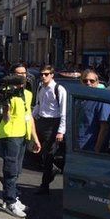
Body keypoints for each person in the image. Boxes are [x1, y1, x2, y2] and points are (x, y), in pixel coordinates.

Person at [0, 69, 41, 218]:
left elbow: (29, 116)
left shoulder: (28, 94)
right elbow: (5, 117)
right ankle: (10, 201)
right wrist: (5, 106)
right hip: (10, 134)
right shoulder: (7, 92)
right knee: (11, 168)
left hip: (23, 134)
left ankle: (11, 196)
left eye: (23, 73)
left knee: (18, 170)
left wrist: (35, 138)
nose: (21, 76)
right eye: (17, 73)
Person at [32, 64, 67, 195]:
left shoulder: (59, 89)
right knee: (37, 151)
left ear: (52, 75)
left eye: (46, 74)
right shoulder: (41, 87)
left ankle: (44, 186)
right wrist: (32, 117)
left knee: (48, 155)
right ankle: (53, 169)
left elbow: (63, 111)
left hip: (53, 124)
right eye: (41, 74)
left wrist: (60, 131)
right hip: (41, 121)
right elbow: (38, 105)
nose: (43, 76)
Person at [77, 69, 110, 152]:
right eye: (85, 81)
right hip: (77, 147)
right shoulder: (79, 100)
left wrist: (96, 150)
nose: (88, 83)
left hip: (90, 149)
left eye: (92, 81)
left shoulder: (102, 101)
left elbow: (104, 128)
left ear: (97, 83)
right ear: (81, 82)